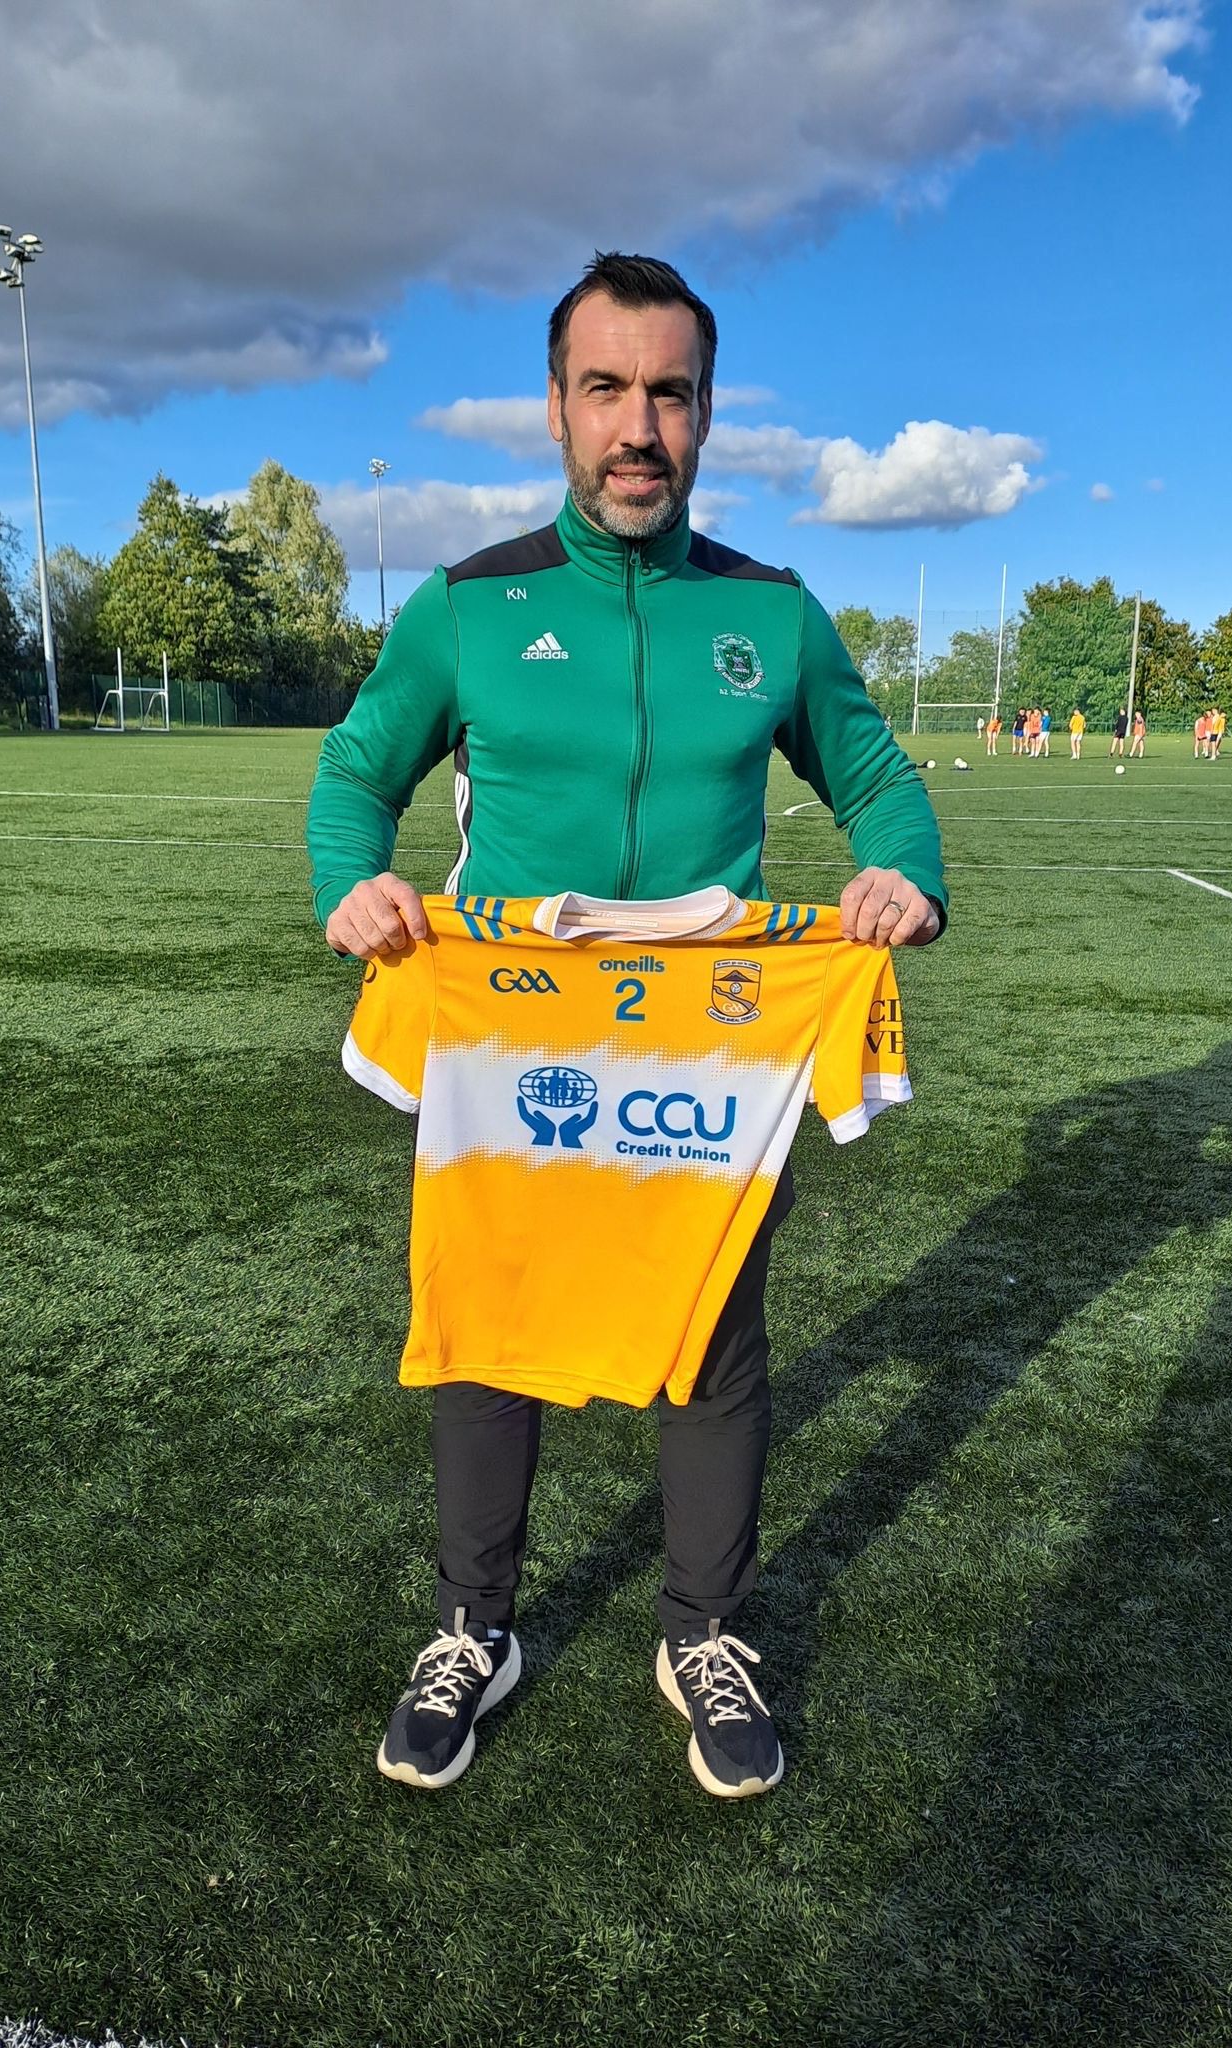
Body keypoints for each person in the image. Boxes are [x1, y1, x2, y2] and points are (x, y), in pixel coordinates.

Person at [305, 252, 947, 1801]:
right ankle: (476, 1625)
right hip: (511, 1037)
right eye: (608, 389)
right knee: (491, 1334)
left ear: (709, 411)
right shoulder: (472, 606)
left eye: (669, 391)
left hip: (713, 1047)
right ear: (557, 408)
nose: (638, 426)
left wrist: (902, 875)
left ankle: (703, 1631)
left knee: (714, 1343)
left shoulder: (774, 617)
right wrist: (354, 887)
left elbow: (876, 780)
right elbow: (354, 776)